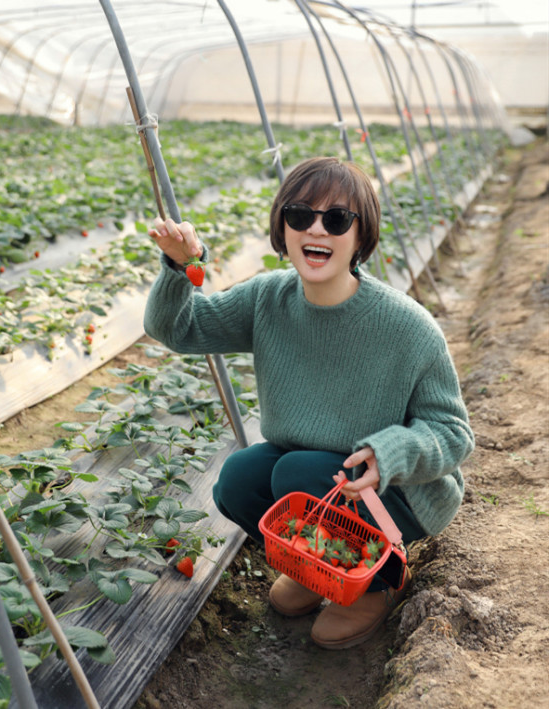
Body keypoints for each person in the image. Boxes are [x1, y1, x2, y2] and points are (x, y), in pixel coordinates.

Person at [144, 156, 474, 650]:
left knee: (294, 474)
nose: (316, 229)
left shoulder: (407, 328)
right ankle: (318, 566)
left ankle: (373, 587)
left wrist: (389, 455)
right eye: (300, 215)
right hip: (319, 481)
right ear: (283, 227)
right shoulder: (268, 299)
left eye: (337, 219)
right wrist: (179, 265)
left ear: (360, 237)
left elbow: (453, 433)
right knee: (239, 479)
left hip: (396, 493)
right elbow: (177, 327)